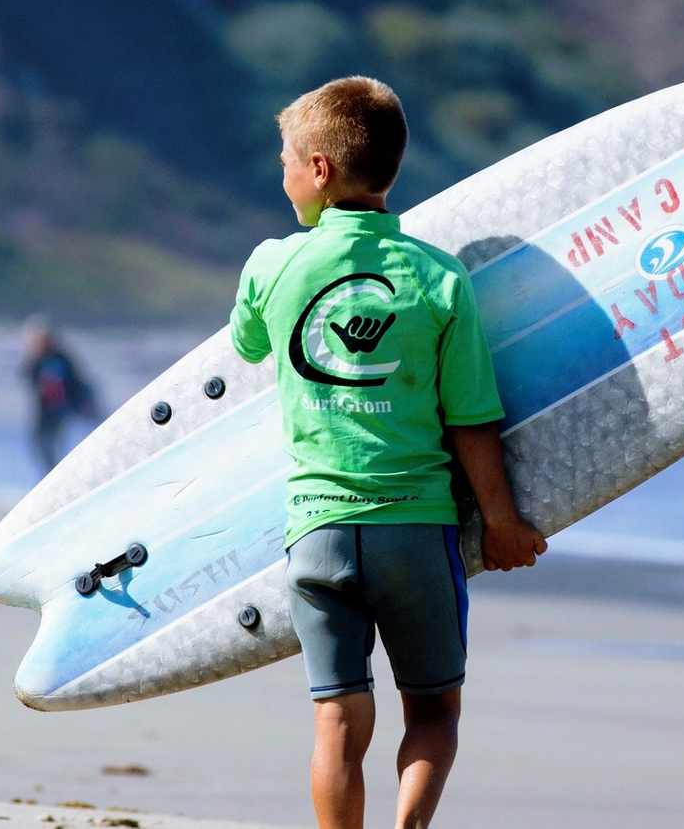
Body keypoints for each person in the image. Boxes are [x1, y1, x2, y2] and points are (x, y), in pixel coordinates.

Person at [228, 75, 546, 829]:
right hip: (415, 529)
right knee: (433, 709)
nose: (281, 174)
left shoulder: (271, 265)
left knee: (336, 724)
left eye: (285, 159)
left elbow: (247, 344)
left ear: (319, 169)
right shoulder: (439, 277)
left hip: (317, 531)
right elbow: (471, 416)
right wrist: (500, 522)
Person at [21, 317, 94, 473]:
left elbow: (76, 381)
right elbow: (26, 375)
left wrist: (80, 403)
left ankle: (54, 473)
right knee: (39, 444)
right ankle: (49, 474)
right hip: (42, 409)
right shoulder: (37, 358)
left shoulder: (62, 358)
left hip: (60, 409)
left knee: (53, 443)